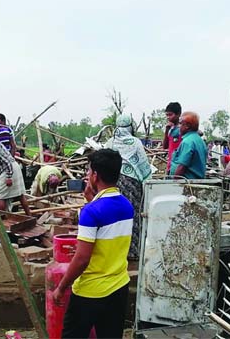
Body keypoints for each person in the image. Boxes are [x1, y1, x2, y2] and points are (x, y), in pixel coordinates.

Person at [52, 149, 133, 339]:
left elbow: (82, 258)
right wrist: (90, 201)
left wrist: (61, 287)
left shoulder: (90, 212)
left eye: (89, 171)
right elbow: (107, 230)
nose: (88, 175)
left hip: (90, 292)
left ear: (95, 175)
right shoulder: (126, 205)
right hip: (119, 286)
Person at [105, 114, 152, 260]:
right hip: (133, 184)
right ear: (130, 126)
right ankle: (133, 252)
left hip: (114, 183)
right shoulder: (136, 142)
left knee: (116, 216)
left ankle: (116, 252)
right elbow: (144, 164)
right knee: (133, 215)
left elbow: (104, 162)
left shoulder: (111, 142)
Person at [0, 140, 31, 216]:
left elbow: (6, 161)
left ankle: (2, 220)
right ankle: (29, 215)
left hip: (8, 169)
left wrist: (8, 176)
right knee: (20, 195)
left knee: (0, 197)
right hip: (14, 167)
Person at [170, 112, 207, 179]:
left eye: (181, 123)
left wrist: (174, 183)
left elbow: (182, 167)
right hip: (196, 182)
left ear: (187, 126)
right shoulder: (199, 140)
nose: (179, 126)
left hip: (187, 183)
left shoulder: (188, 142)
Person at [162, 102, 182, 174]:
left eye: (170, 115)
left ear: (178, 114)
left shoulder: (183, 129)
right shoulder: (170, 129)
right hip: (170, 165)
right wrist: (167, 130)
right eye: (167, 115)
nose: (168, 117)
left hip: (179, 166)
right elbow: (165, 146)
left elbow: (199, 132)